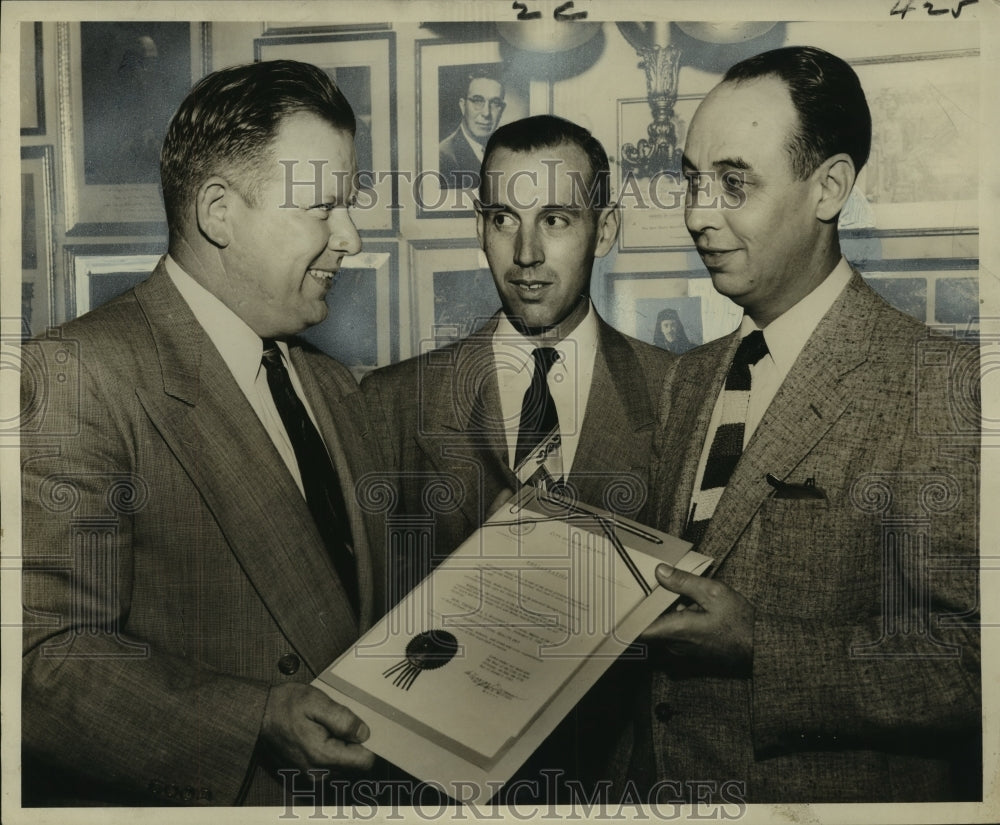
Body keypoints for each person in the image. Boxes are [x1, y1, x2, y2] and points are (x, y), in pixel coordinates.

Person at [613, 46, 981, 803]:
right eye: (690, 179)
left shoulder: (937, 382)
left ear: (830, 187)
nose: (695, 214)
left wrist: (760, 646)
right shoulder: (692, 375)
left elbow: (972, 664)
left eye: (733, 184)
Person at [21, 60, 385, 806]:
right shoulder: (75, 374)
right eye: (323, 207)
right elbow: (42, 660)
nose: (350, 236)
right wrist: (253, 716)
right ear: (219, 211)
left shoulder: (332, 386)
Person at [361, 115, 675, 792]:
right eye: (505, 217)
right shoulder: (392, 402)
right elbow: (361, 629)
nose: (526, 251)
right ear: (480, 227)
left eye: (557, 218)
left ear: (607, 229)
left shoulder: (679, 392)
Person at [438, 69, 506, 190]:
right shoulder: (443, 157)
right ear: (463, 106)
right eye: (477, 101)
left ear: (502, 110)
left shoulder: (506, 153)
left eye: (495, 103)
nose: (486, 113)